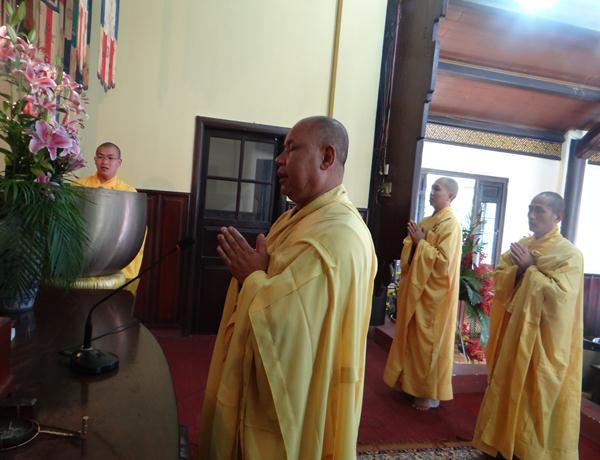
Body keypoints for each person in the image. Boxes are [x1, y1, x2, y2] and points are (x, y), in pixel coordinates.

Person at [198, 116, 377, 460]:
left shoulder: (339, 235)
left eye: (292, 149)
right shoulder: (295, 217)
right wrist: (258, 275)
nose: (279, 160)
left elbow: (293, 330)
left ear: (326, 157)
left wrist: (253, 276)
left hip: (299, 398)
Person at [473, 192, 583, 460]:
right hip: (514, 333)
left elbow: (561, 298)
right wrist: (520, 270)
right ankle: (499, 443)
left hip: (543, 340)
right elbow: (499, 279)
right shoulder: (521, 245)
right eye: (530, 209)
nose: (532, 216)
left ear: (558, 217)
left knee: (534, 393)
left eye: (540, 210)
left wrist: (531, 270)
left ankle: (528, 451)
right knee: (506, 386)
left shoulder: (569, 255)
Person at [383, 177, 461, 410]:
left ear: (450, 196)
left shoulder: (451, 225)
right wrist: (416, 243)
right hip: (417, 291)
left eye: (437, 189)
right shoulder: (427, 221)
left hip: (434, 297)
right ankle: (408, 385)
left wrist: (422, 243)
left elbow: (444, 264)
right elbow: (409, 249)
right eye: (431, 188)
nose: (432, 192)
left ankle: (427, 393)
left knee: (428, 344)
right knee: (412, 339)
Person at [78, 142, 144, 279]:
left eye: (110, 158)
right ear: (95, 160)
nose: (105, 162)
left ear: (119, 162)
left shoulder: (128, 193)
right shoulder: (79, 186)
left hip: (114, 256)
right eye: (100, 157)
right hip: (82, 255)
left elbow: (132, 232)